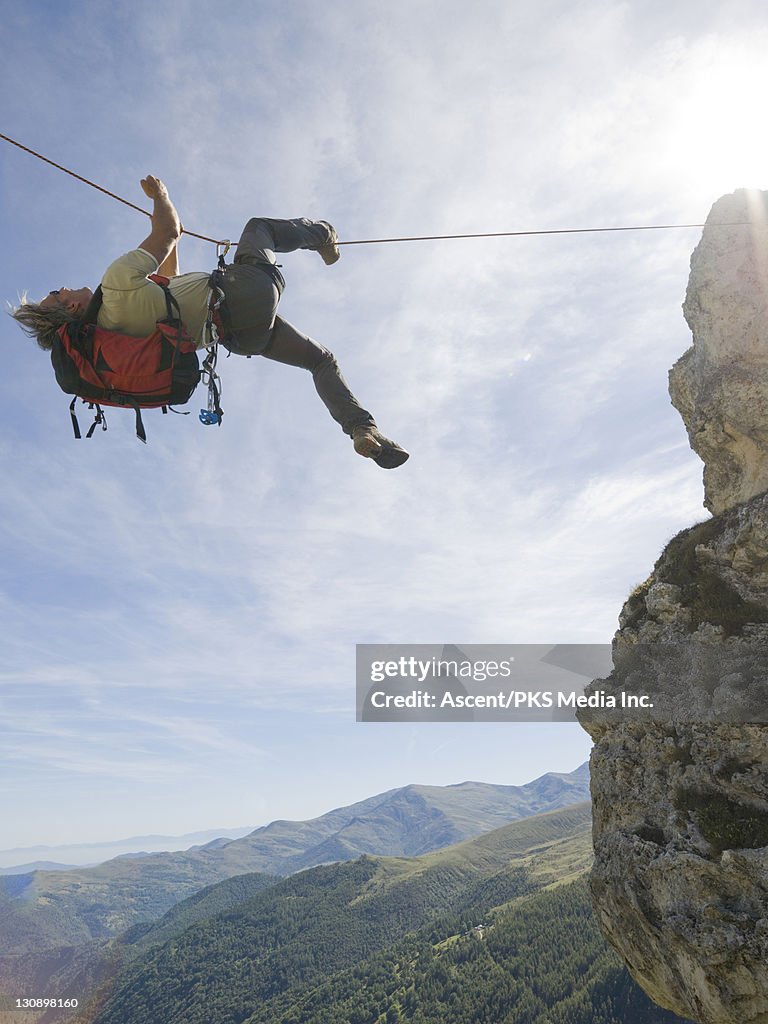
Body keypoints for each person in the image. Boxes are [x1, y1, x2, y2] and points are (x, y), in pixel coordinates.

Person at [11, 175, 409, 469]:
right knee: (259, 229)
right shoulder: (115, 284)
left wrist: (168, 225)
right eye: (58, 295)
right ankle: (324, 234)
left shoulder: (117, 331)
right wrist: (161, 197)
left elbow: (170, 270)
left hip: (239, 335)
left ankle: (363, 430)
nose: (64, 287)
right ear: (73, 311)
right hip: (242, 292)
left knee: (319, 359)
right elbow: (169, 232)